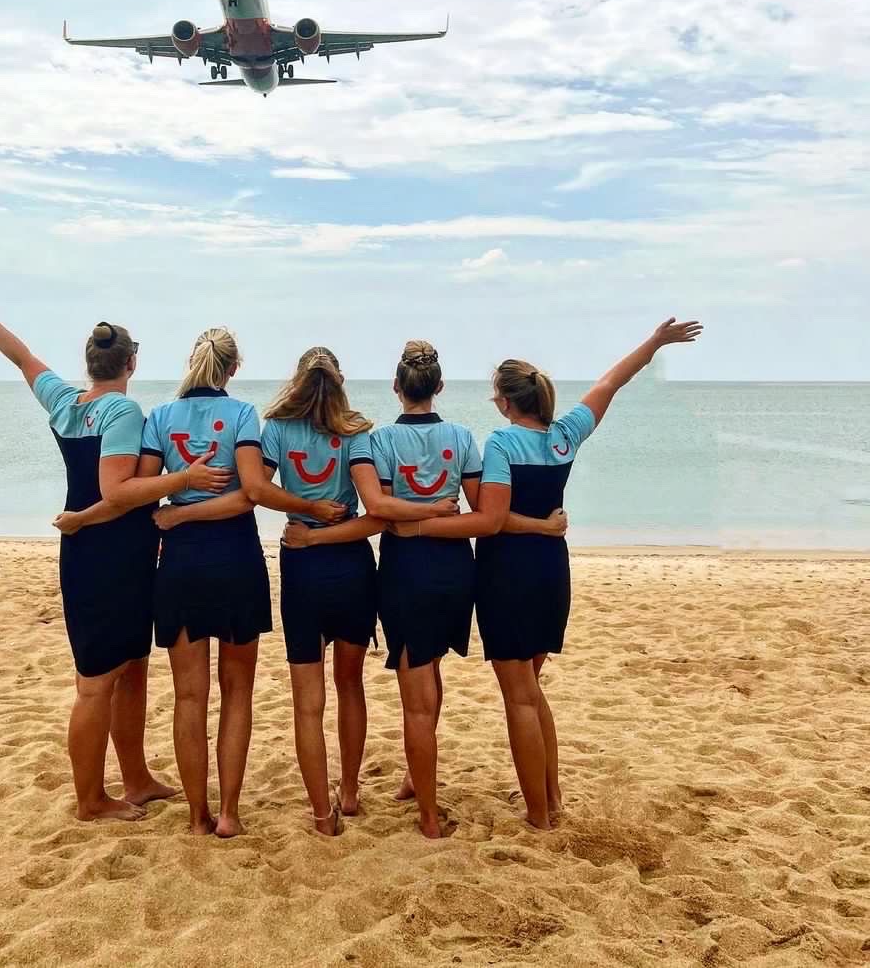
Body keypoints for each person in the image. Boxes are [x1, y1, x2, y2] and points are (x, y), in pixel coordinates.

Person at [0, 283, 230, 822]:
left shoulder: (64, 400)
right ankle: (91, 799)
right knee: (97, 680)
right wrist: (185, 477)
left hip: (105, 549)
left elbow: (22, 357)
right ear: (131, 362)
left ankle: (138, 778)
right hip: (108, 551)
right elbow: (116, 492)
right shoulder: (121, 410)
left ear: (90, 364)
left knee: (133, 668)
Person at [409, 317, 703, 830]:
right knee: (532, 689)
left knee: (519, 695)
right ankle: (552, 796)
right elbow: (611, 382)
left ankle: (540, 815)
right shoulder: (565, 436)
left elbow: (492, 520)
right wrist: (653, 343)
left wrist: (426, 524)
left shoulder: (501, 444)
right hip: (551, 573)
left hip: (508, 574)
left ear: (504, 401)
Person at [61, 328, 344, 837]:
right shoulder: (242, 416)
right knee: (238, 693)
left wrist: (122, 515)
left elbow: (133, 493)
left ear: (191, 363)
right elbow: (251, 495)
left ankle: (196, 816)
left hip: (181, 567)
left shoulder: (160, 419)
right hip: (235, 559)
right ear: (232, 369)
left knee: (189, 697)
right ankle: (229, 813)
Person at [260, 347, 458, 835]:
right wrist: (332, 518)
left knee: (308, 700)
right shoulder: (356, 432)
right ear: (340, 379)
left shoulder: (278, 429)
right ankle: (349, 791)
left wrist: (304, 516)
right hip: (351, 565)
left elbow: (255, 490)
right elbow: (376, 515)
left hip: (302, 562)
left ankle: (323, 815)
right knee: (350, 685)